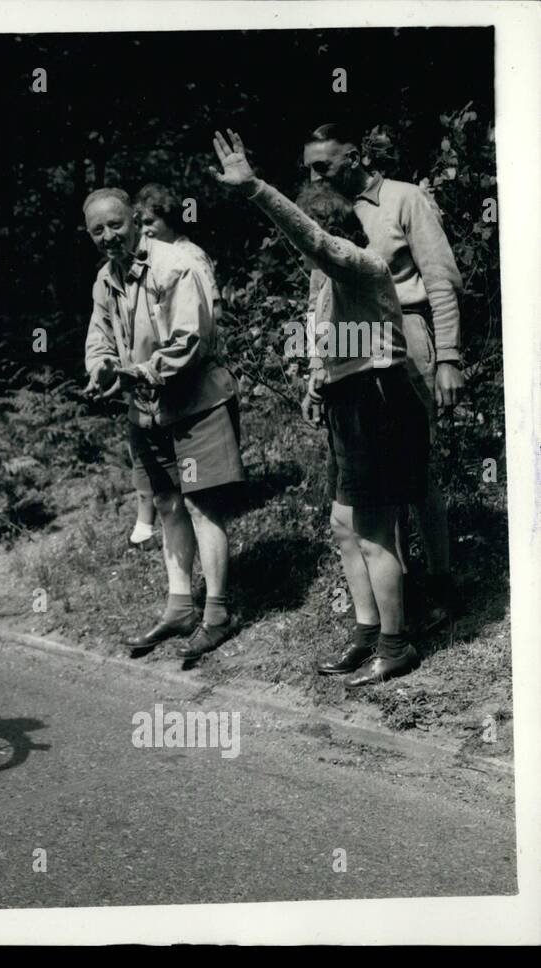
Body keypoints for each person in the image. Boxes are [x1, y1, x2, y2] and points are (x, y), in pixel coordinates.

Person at [212, 129, 426, 686]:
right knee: (342, 523)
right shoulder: (327, 282)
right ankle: (366, 632)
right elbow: (325, 333)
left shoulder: (362, 262)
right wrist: (315, 382)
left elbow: (311, 239)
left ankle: (396, 645)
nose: (305, 250)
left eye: (314, 235)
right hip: (347, 397)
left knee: (375, 529)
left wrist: (256, 188)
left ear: (336, 230)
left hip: (377, 397)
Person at [302, 122, 463, 633]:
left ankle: (439, 579)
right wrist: (315, 369)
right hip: (347, 361)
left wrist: (449, 358)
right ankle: (399, 593)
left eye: (322, 166)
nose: (315, 176)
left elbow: (439, 278)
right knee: (369, 483)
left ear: (354, 156)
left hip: (404, 339)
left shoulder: (404, 199)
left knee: (416, 468)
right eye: (308, 169)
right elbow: (317, 298)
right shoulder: (325, 219)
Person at [83, 187, 245, 660]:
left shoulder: (174, 264)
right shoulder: (104, 280)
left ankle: (217, 613)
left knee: (201, 506)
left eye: (115, 225)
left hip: (196, 404)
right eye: (98, 230)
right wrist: (100, 369)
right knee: (168, 503)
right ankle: (179, 608)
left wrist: (134, 373)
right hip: (147, 411)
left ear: (134, 219)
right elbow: (99, 338)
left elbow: (190, 340)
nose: (109, 236)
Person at [129, 183, 226, 547]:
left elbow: (212, 310)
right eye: (139, 224)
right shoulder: (147, 258)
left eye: (151, 222)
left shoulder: (187, 255)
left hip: (194, 363)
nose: (145, 231)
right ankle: (155, 515)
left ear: (169, 219)